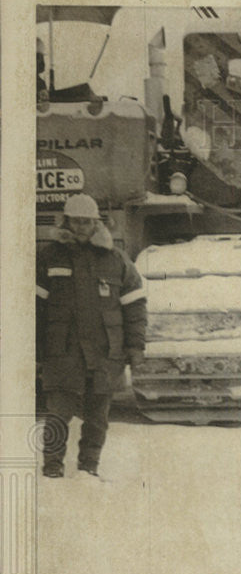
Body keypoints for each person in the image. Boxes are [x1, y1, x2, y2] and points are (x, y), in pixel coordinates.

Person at [36, 193, 147, 478]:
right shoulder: (49, 257)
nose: (82, 226)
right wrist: (34, 352)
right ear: (67, 222)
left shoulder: (115, 259)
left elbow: (134, 305)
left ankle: (89, 467)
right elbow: (33, 309)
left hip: (104, 352)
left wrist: (135, 347)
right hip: (62, 352)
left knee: (98, 418)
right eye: (76, 221)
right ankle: (52, 467)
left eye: (87, 221)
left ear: (96, 223)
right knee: (58, 414)